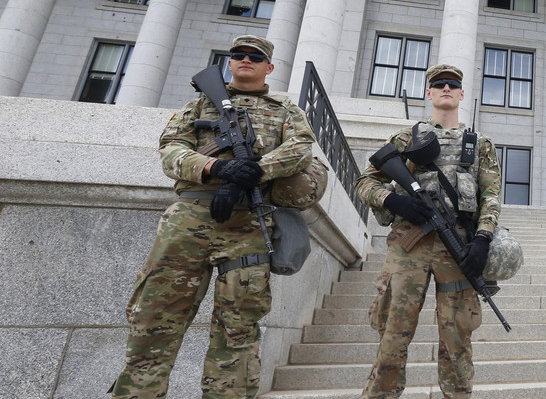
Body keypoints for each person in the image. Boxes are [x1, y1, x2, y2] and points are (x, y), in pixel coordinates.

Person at [110, 35, 316, 398]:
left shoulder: (286, 111)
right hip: (188, 220)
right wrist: (217, 167)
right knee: (153, 324)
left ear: (270, 67)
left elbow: (300, 150)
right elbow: (170, 151)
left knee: (238, 332)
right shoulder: (199, 104)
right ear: (229, 63)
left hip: (249, 223)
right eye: (238, 55)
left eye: (256, 57)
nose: (246, 60)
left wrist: (254, 172)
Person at [356, 64, 501, 399]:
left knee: (457, 342)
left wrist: (483, 238)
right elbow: (366, 181)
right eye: (439, 84)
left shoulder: (480, 144)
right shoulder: (406, 138)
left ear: (462, 93)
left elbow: (491, 196)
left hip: (459, 248)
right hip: (409, 245)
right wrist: (393, 200)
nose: (446, 88)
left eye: (453, 84)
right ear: (429, 93)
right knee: (393, 334)